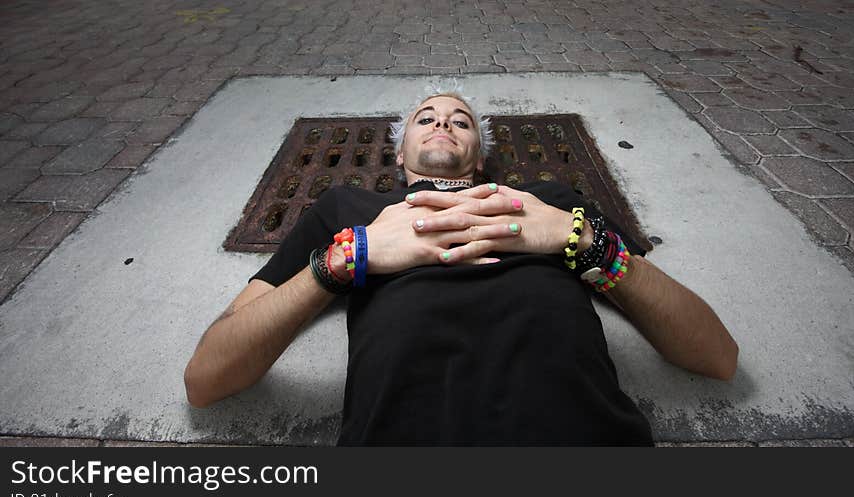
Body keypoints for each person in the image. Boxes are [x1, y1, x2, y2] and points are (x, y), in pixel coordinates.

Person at [184, 91, 739, 445]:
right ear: (400, 157)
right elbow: (208, 378)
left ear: (478, 157)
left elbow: (715, 356)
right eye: (425, 119)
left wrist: (585, 240)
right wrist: (346, 260)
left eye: (460, 121)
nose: (442, 124)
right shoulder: (348, 211)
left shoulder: (548, 200)